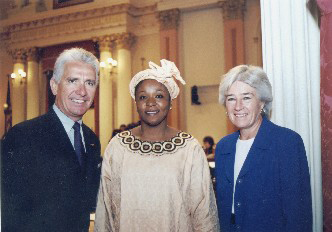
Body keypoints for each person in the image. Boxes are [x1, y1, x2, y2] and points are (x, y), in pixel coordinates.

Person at [94, 59, 219, 231]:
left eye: (159, 95)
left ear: (170, 102)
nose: (150, 102)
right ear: (136, 103)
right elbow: (106, 208)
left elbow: (203, 211)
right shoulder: (118, 146)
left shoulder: (189, 148)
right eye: (143, 97)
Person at [2, 48, 102, 232]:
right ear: (54, 86)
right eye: (73, 81)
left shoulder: (91, 140)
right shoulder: (23, 135)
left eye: (90, 83)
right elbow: (9, 212)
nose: (82, 91)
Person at [215, 65, 312, 231]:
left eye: (246, 98)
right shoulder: (223, 147)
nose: (238, 106)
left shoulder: (286, 142)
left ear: (262, 103)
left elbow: (298, 215)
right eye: (231, 98)